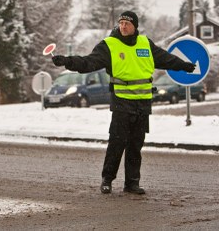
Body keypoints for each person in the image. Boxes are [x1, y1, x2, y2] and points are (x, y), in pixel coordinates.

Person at [51, 11, 195, 195]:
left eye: (127, 23)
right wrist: (68, 62)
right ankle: (107, 180)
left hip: (142, 103)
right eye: (121, 23)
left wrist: (184, 65)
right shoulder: (109, 45)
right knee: (117, 143)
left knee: (136, 145)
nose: (123, 26)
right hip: (122, 103)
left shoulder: (145, 43)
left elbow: (165, 58)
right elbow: (89, 62)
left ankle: (132, 183)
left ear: (135, 26)